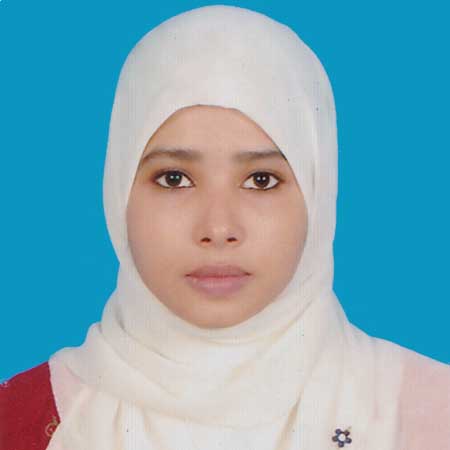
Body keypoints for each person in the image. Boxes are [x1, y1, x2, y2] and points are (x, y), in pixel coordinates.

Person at [1, 5, 449, 450]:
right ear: (118, 191)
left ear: (318, 194)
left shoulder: (431, 414)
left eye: (261, 180)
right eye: (174, 178)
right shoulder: (22, 421)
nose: (218, 228)